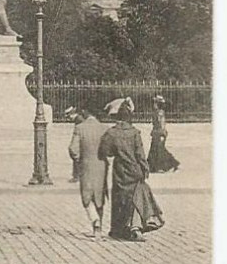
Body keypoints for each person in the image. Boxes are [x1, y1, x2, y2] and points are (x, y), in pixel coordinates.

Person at [98, 100, 165, 242]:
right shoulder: (134, 133)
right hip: (135, 169)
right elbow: (140, 154)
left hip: (121, 170)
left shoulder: (111, 133)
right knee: (136, 196)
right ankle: (135, 226)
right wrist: (145, 168)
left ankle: (119, 229)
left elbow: (106, 152)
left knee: (120, 198)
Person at [68, 103, 107, 239]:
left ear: (85, 112)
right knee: (99, 195)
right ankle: (99, 229)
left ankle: (94, 221)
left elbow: (73, 149)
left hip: (86, 165)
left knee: (87, 196)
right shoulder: (103, 128)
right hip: (101, 165)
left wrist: (79, 159)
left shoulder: (80, 128)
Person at [148, 94, 180, 173]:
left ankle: (173, 163)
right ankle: (152, 166)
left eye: (155, 103)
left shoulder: (160, 113)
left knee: (160, 150)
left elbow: (162, 124)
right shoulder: (156, 112)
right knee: (155, 149)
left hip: (159, 133)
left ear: (158, 104)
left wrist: (162, 134)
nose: (153, 104)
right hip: (156, 133)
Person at [64, 105, 81, 181]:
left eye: (68, 115)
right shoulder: (78, 119)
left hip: (79, 141)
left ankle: (76, 176)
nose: (68, 118)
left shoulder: (79, 119)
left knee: (76, 157)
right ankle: (76, 175)